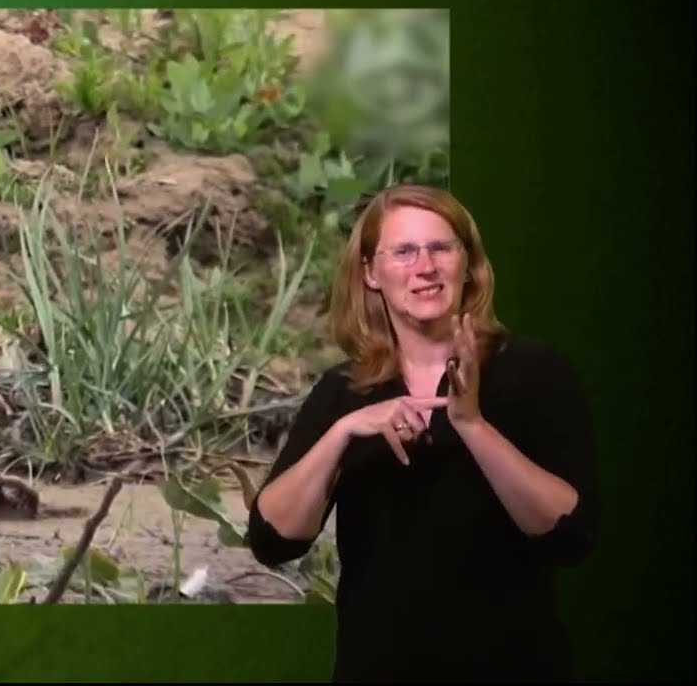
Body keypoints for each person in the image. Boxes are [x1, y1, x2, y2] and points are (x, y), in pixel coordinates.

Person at [247, 184, 600, 682]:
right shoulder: (344, 391)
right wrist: (344, 432)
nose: (425, 267)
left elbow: (572, 535)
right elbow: (273, 540)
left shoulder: (535, 374)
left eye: (440, 248)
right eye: (404, 251)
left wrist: (471, 425)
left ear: (468, 263)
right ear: (371, 272)